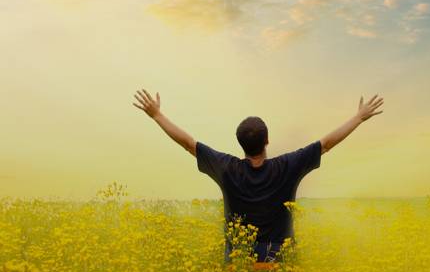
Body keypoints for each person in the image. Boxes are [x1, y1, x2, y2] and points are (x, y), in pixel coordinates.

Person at [133, 89, 384, 263]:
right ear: (267, 140)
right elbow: (327, 143)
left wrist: (156, 115)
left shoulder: (225, 167)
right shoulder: (288, 165)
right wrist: (359, 117)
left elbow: (188, 143)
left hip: (239, 256)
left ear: (240, 143)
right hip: (279, 255)